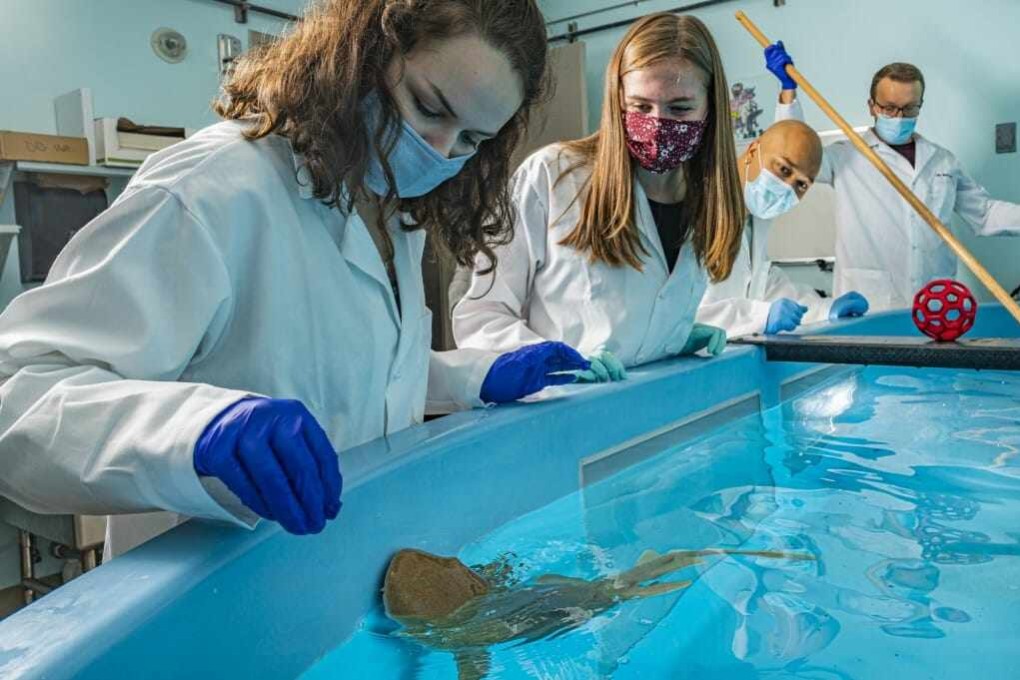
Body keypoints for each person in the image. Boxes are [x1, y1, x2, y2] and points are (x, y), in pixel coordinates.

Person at [0, 0, 588, 558]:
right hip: (205, 601)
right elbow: (19, 398)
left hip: (330, 577)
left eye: (470, 140)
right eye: (429, 108)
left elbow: (349, 375)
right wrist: (197, 431)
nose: (439, 152)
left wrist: (470, 377)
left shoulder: (388, 210)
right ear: (360, 55)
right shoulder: (214, 186)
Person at [452, 13, 744, 383]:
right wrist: (549, 360)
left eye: (680, 108)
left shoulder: (709, 201)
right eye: (639, 107)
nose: (657, 124)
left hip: (642, 413)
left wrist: (669, 339)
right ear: (617, 100)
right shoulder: (555, 175)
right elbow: (482, 314)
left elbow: (625, 323)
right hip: (554, 411)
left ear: (711, 107)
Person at [766, 43, 1020, 311]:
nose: (898, 117)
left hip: (934, 306)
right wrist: (788, 94)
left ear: (920, 106)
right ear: (871, 106)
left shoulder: (942, 160)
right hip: (869, 304)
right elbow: (792, 154)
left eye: (909, 109)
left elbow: (985, 214)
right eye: (889, 108)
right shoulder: (844, 157)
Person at [697, 119, 869, 337]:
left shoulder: (754, 220)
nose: (787, 187)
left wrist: (824, 310)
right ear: (752, 151)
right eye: (784, 169)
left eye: (802, 184)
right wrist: (759, 317)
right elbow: (678, 315)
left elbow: (763, 288)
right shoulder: (697, 208)